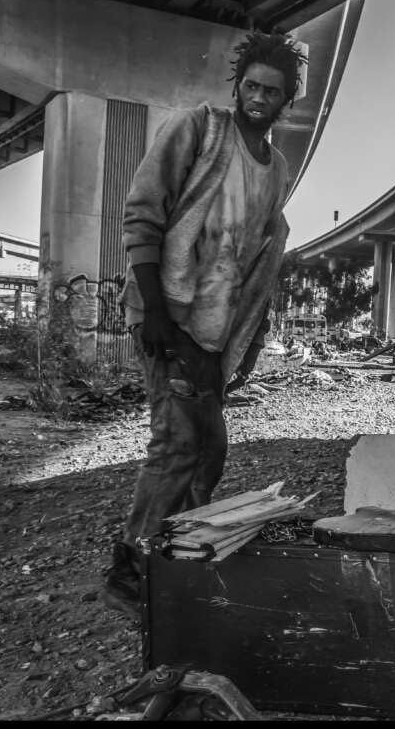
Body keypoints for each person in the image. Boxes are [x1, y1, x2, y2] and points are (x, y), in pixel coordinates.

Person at [101, 31, 305, 617]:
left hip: (216, 333)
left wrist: (250, 341)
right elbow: (143, 213)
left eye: (272, 90)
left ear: (286, 100)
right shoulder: (199, 129)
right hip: (169, 317)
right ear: (238, 88)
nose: (259, 96)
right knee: (177, 444)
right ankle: (130, 571)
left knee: (209, 450)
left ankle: (180, 559)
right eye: (251, 86)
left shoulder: (277, 168)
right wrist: (155, 312)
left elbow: (257, 262)